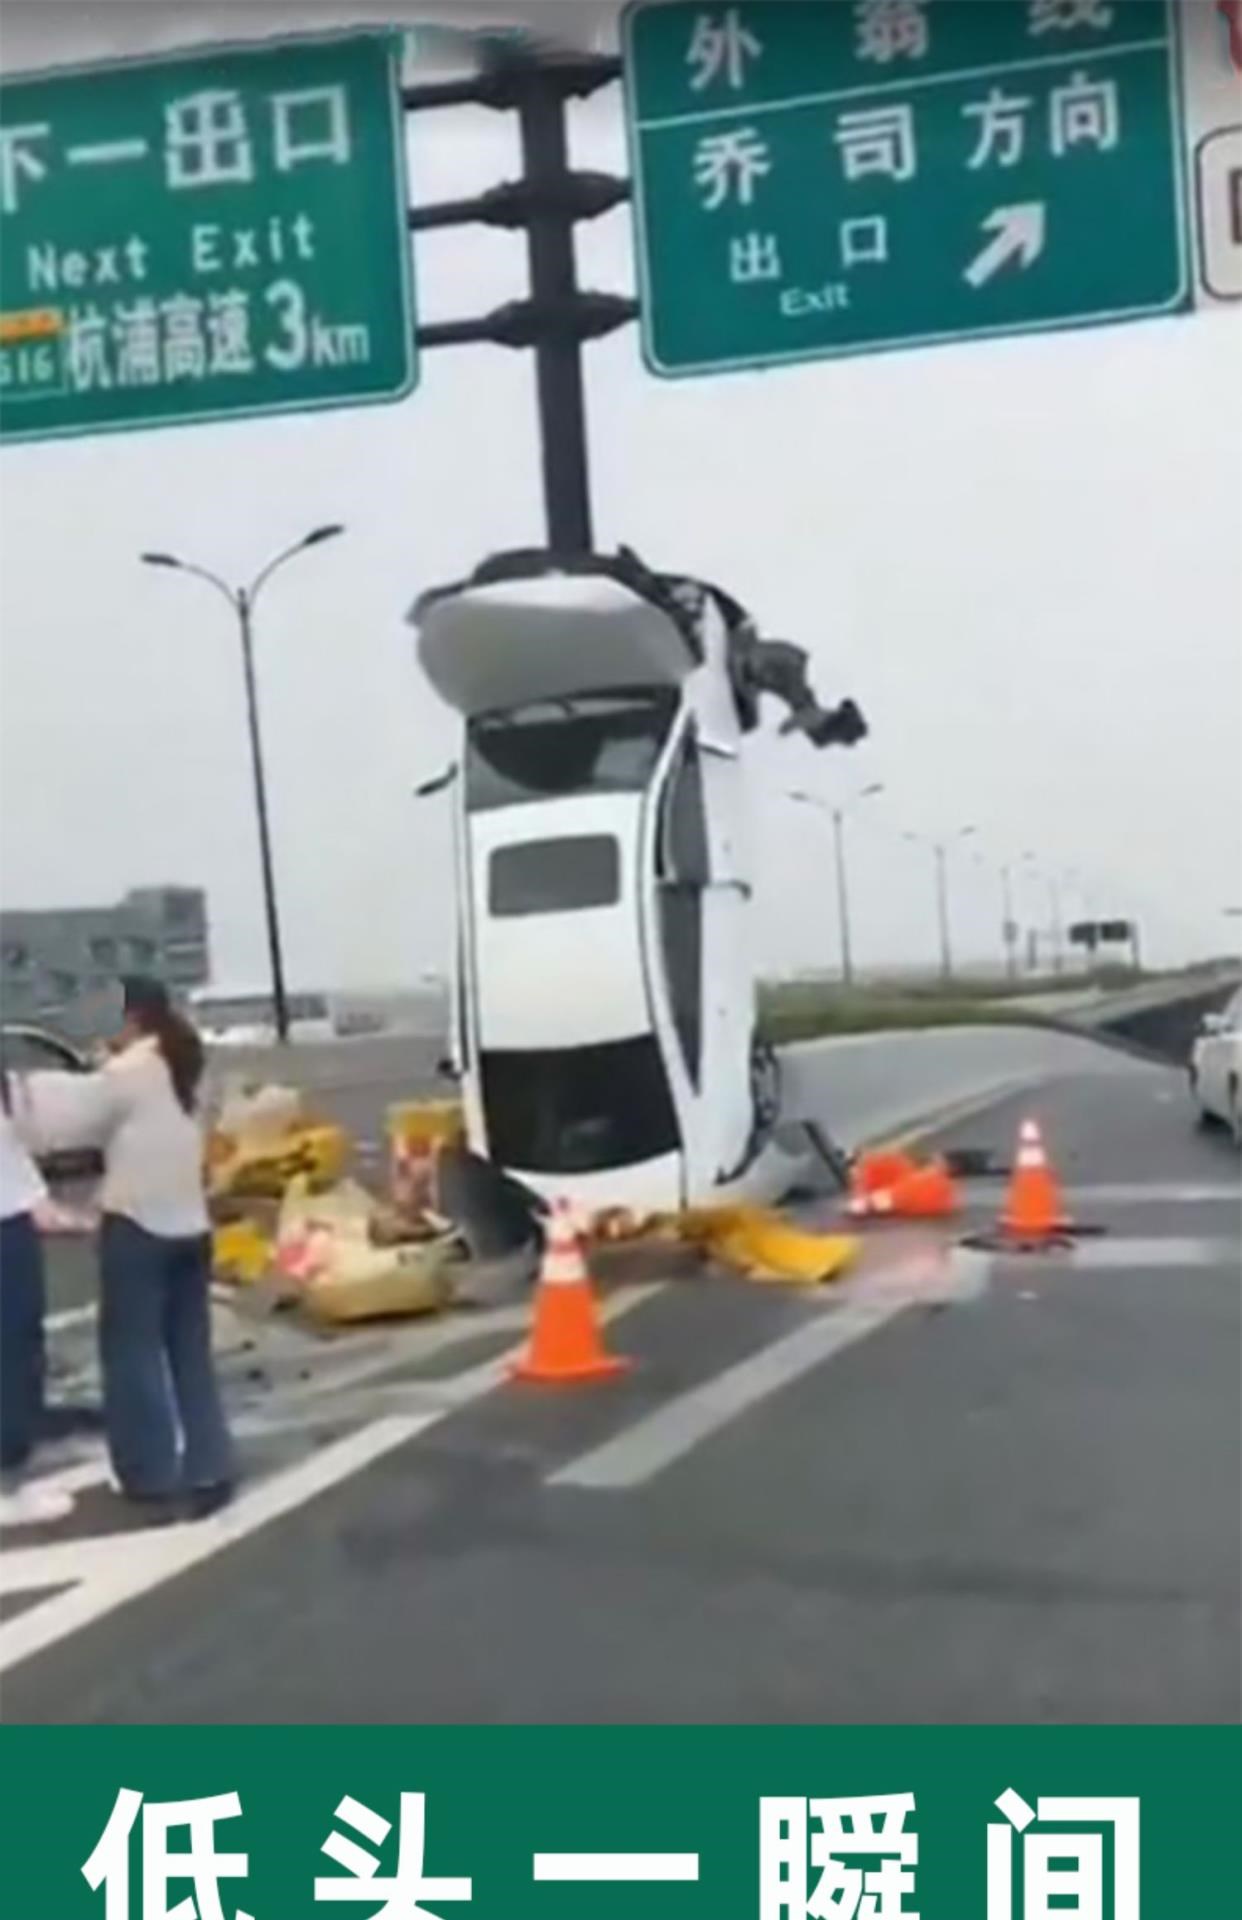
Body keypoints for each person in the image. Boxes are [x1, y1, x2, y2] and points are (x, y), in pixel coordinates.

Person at [25, 977, 233, 1519]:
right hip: (192, 1225)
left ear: (131, 1017)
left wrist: (20, 1089)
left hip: (138, 1226)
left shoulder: (131, 1072)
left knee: (132, 1353)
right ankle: (210, 1464)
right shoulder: (190, 1064)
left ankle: (149, 1471)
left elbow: (61, 1118)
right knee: (189, 1353)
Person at [0, 1064, 74, 1523]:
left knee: (19, 1340)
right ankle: (9, 1460)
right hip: (8, 1228)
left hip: (12, 1221)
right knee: (15, 1342)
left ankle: (14, 1442)